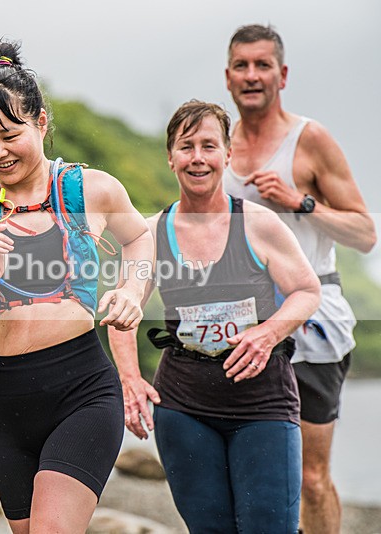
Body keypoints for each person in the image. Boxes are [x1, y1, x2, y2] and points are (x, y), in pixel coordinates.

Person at [0, 39, 153, 534]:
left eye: (10, 135)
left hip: (82, 391)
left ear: (42, 123)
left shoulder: (91, 189)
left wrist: (131, 293)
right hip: (1, 403)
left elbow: (140, 239)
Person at [109, 100, 322, 533]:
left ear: (228, 155)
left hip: (263, 404)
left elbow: (307, 291)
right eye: (186, 147)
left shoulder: (259, 225)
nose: (198, 158)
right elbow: (122, 306)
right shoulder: (150, 233)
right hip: (185, 407)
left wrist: (268, 332)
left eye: (209, 146)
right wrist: (130, 379)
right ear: (171, 157)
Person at [222, 24, 377, 534]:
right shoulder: (216, 145)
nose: (252, 75)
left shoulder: (309, 140)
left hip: (311, 323)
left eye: (262, 65)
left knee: (311, 477)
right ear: (227, 77)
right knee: (242, 471)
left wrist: (300, 202)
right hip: (238, 324)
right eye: (241, 65)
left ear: (282, 75)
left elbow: (365, 234)